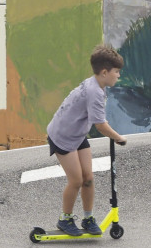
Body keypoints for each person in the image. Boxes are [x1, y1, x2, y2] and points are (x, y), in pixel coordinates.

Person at [46, 44, 127, 236]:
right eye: (117, 72)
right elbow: (100, 125)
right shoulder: (95, 91)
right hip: (63, 136)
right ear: (105, 72)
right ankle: (65, 219)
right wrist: (118, 138)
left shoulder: (97, 84)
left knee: (88, 178)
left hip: (76, 133)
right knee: (76, 181)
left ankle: (88, 217)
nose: (118, 75)